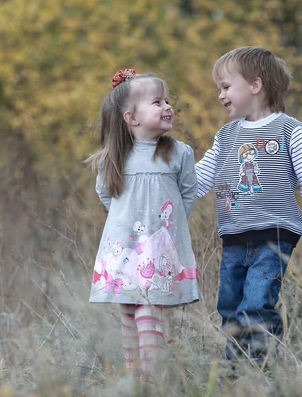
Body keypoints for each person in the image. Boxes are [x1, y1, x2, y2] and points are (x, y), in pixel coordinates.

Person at [195, 47, 302, 365]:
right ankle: (236, 368)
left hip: (275, 235)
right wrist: (168, 191)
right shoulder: (227, 135)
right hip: (233, 237)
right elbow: (201, 178)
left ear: (255, 85)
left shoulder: (289, 130)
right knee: (229, 306)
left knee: (257, 303)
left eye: (226, 86)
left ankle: (257, 367)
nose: (220, 95)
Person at [87, 69, 199, 382]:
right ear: (131, 118)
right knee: (127, 310)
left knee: (149, 308)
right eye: (156, 102)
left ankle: (153, 380)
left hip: (158, 249)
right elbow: (105, 194)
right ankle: (133, 378)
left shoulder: (178, 153)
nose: (167, 107)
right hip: (123, 246)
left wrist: (170, 225)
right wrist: (126, 220)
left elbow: (187, 192)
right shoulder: (116, 157)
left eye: (166, 100)